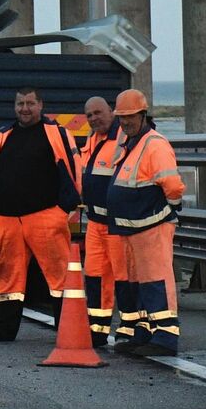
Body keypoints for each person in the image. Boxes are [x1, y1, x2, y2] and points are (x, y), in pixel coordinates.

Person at [0, 87, 81, 343]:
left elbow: (73, 169)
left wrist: (65, 209)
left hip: (45, 216)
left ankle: (67, 330)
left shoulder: (57, 134)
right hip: (5, 219)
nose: (24, 109)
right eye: (20, 104)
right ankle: (5, 329)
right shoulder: (3, 135)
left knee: (58, 277)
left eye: (30, 103)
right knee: (7, 280)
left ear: (41, 105)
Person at [106, 89, 186, 357]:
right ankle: (145, 332)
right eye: (122, 117)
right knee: (140, 281)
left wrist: (170, 208)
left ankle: (165, 336)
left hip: (151, 224)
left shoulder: (155, 144)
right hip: (133, 226)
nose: (125, 122)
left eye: (130, 116)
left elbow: (173, 185)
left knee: (156, 279)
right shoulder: (130, 142)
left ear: (142, 115)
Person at [79, 95, 130, 350]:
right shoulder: (92, 140)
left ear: (111, 111)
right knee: (96, 277)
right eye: (89, 115)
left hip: (117, 225)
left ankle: (128, 330)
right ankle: (97, 330)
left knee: (123, 278)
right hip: (95, 223)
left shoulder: (122, 139)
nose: (94, 119)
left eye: (98, 113)